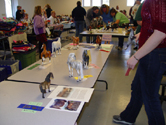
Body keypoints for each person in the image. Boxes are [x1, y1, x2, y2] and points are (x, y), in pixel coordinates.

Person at [113, 0, 166, 125]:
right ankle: (128, 117)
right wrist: (143, 33)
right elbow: (157, 26)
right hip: (150, 52)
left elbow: (161, 33)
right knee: (137, 87)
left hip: (153, 54)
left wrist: (136, 57)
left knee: (150, 96)